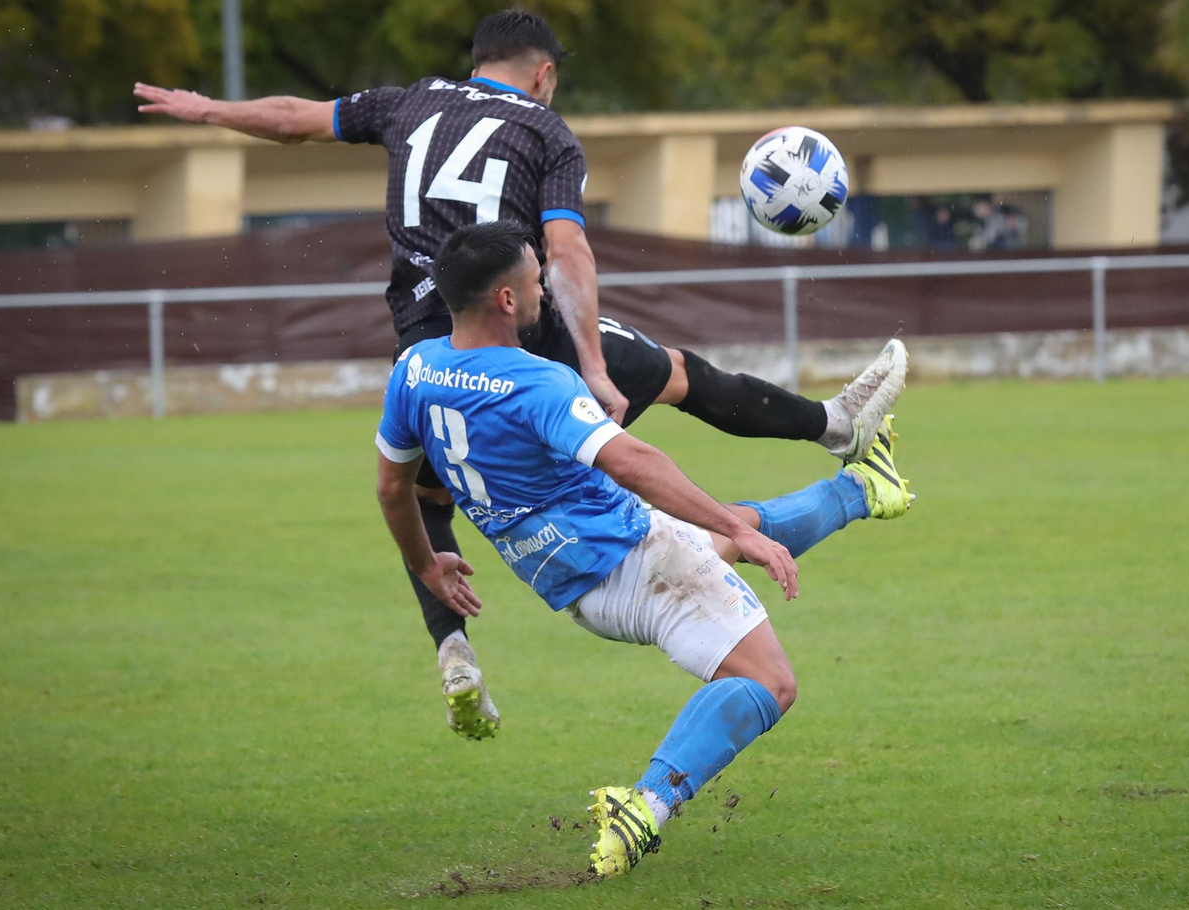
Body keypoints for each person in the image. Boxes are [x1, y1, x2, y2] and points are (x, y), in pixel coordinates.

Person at [134, 10, 907, 740]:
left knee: (421, 492)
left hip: (427, 354)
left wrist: (208, 110)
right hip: (516, 335)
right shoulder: (545, 132)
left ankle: (454, 652)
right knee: (675, 376)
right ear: (541, 74)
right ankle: (834, 426)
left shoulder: (408, 103)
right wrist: (595, 366)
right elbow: (567, 254)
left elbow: (296, 120)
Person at [374, 221, 913, 877]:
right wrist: (741, 533)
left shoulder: (414, 369)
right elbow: (630, 460)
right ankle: (647, 806)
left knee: (718, 534)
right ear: (507, 301)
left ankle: (862, 488)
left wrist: (426, 565)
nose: (545, 281)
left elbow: (393, 488)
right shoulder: (538, 382)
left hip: (575, 590)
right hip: (636, 557)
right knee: (768, 681)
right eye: (534, 275)